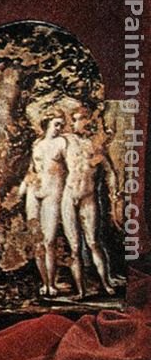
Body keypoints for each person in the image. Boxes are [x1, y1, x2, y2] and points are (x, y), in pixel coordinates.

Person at [61, 109, 118, 298]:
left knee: (93, 242)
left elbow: (110, 171)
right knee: (74, 247)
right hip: (69, 196)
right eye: (74, 120)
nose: (76, 123)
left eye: (80, 119)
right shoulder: (66, 140)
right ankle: (81, 291)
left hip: (88, 196)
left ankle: (105, 283)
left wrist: (114, 194)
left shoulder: (95, 145)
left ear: (87, 121)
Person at [20, 111, 67, 297]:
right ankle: (45, 283)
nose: (59, 128)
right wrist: (21, 189)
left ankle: (52, 283)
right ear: (47, 123)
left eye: (61, 125)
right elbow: (31, 169)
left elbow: (71, 168)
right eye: (56, 124)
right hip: (34, 191)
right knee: (37, 241)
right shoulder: (37, 144)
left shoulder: (62, 143)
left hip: (52, 192)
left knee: (49, 240)